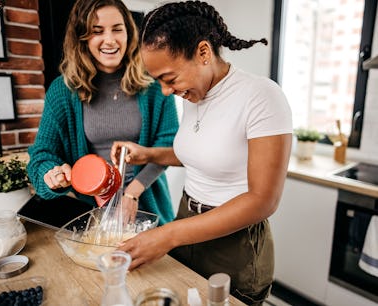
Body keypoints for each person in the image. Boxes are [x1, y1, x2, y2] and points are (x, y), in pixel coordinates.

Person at [110, 1, 292, 305]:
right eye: (160, 82)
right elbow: (204, 155)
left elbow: (264, 201)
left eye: (169, 78)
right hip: (186, 220)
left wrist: (169, 235)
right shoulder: (194, 92)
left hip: (234, 243)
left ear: (203, 52)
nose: (166, 91)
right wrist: (149, 154)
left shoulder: (262, 96)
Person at [27, 0, 179, 225]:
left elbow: (168, 145)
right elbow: (41, 155)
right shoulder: (62, 91)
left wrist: (132, 192)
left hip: (146, 204)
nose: (110, 40)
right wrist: (53, 174)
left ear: (129, 33)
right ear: (82, 38)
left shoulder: (154, 85)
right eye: (97, 32)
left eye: (117, 29)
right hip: (91, 214)